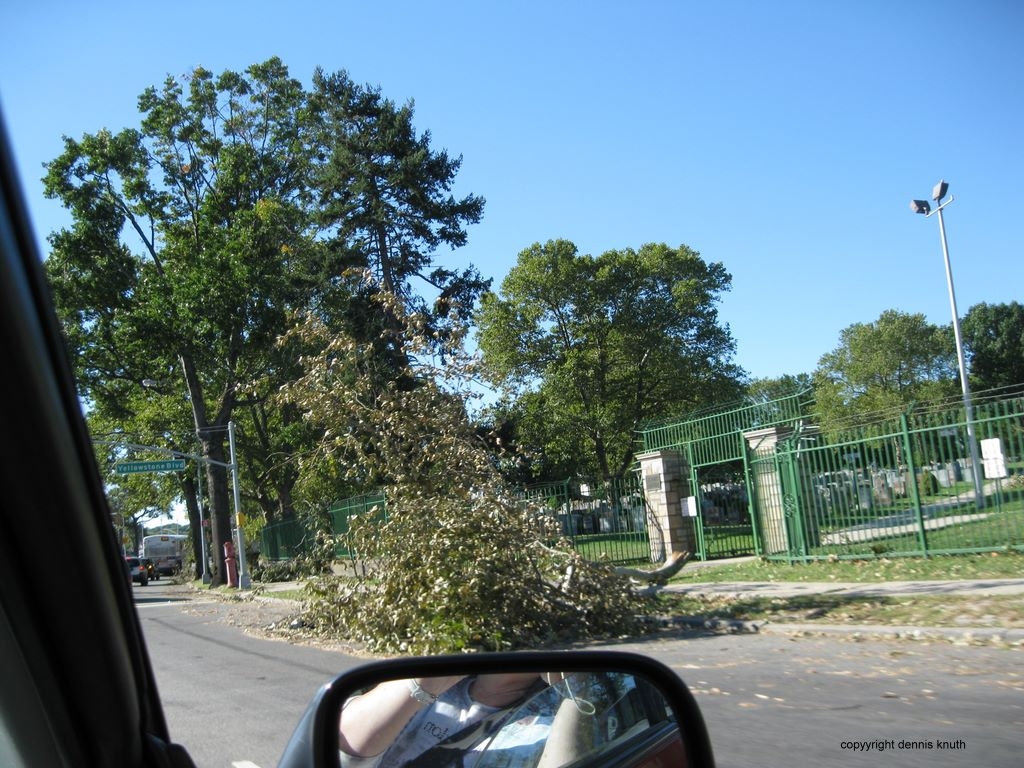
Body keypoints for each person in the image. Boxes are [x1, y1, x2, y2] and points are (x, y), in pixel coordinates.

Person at [339, 673, 557, 768]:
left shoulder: (547, 727)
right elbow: (342, 752)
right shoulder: (425, 683)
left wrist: (574, 689)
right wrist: (424, 684)